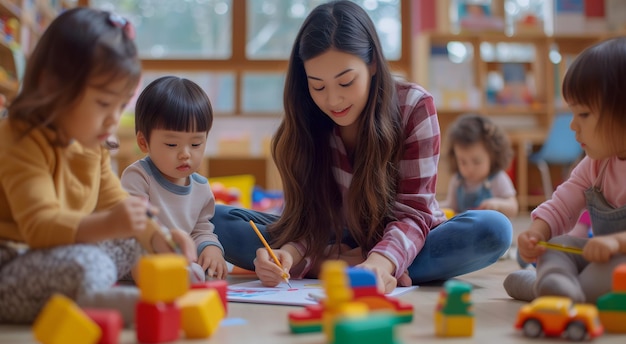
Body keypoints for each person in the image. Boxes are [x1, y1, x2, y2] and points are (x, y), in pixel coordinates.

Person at [212, 0, 512, 293]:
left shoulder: (414, 106)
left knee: (492, 229)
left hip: (404, 234)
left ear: (371, 64)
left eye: (345, 82)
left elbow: (413, 214)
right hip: (329, 234)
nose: (333, 100)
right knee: (213, 221)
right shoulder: (307, 116)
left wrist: (381, 262)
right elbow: (307, 217)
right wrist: (288, 253)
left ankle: (357, 268)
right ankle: (349, 267)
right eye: (318, 86)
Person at [0, 8, 196, 326]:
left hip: (56, 255)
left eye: (121, 105)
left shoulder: (93, 144)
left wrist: (161, 240)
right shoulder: (19, 138)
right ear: (53, 86)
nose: (113, 119)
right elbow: (39, 227)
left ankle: (96, 295)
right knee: (87, 263)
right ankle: (102, 302)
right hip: (11, 261)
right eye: (104, 104)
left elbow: (117, 202)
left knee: (131, 243)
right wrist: (110, 224)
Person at [503, 36, 626, 303]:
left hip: (618, 263)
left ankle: (545, 288)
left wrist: (617, 243)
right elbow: (562, 205)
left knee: (603, 276)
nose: (572, 125)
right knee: (559, 248)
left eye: (583, 115)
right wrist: (537, 232)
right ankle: (557, 285)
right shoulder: (595, 164)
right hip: (599, 255)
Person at [121, 76, 227, 280]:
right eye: (172, 145)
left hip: (177, 258)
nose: (185, 154)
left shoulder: (201, 188)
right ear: (144, 142)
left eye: (196, 144)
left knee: (204, 271)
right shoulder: (138, 176)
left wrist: (211, 248)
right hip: (140, 253)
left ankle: (178, 277)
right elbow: (134, 225)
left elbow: (201, 229)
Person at [439, 114, 518, 219]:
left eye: (477, 162)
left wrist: (497, 204)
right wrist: (434, 206)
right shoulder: (457, 181)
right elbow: (451, 207)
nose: (469, 169)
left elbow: (513, 207)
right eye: (462, 162)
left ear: (493, 156)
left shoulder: (497, 178)